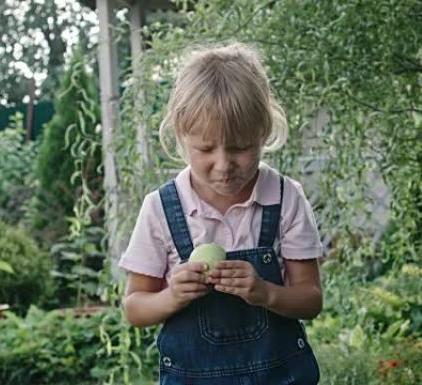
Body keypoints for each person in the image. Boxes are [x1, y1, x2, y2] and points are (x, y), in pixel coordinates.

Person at [120, 42, 323, 385]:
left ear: (264, 133)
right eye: (205, 149)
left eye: (241, 148)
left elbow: (310, 299)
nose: (224, 165)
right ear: (181, 136)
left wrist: (266, 293)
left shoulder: (285, 198)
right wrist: (172, 296)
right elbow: (135, 308)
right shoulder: (161, 209)